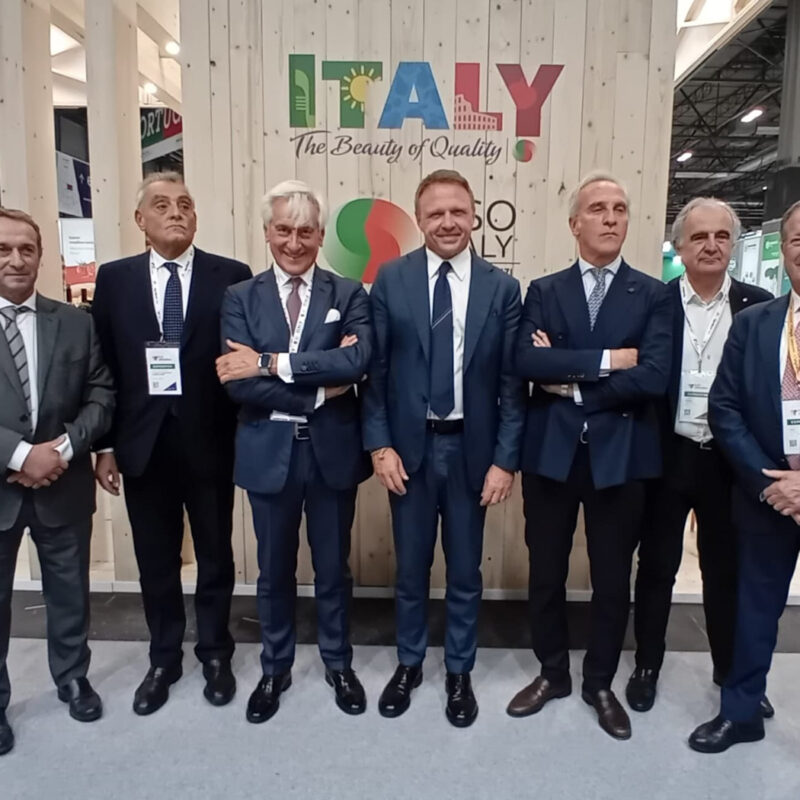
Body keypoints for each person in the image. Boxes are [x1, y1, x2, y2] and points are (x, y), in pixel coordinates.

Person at [507, 172, 672, 740]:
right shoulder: (543, 291)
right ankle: (552, 673)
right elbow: (527, 362)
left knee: (611, 579)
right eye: (598, 208)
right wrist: (609, 360)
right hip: (551, 455)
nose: (610, 217)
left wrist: (572, 381)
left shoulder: (653, 294)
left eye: (619, 208)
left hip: (621, 457)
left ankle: (599, 682)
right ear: (575, 223)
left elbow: (652, 376)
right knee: (546, 573)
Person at [363, 169, 525, 728]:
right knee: (410, 569)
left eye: (458, 211)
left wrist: (505, 459)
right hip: (408, 453)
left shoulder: (502, 289)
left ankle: (459, 670)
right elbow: (375, 375)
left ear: (474, 215)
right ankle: (409, 663)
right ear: (419, 219)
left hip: (471, 453)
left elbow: (512, 385)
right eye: (436, 213)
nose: (448, 222)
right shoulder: (391, 280)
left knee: (464, 571)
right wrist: (379, 446)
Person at [91, 172, 251, 716]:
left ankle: (215, 653)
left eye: (185, 204)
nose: (176, 212)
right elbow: (104, 366)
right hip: (143, 444)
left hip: (211, 439)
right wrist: (105, 445)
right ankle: (163, 657)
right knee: (155, 558)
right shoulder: (114, 280)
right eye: (161, 205)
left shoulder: (231, 276)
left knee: (215, 555)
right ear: (140, 220)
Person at [217, 179, 372, 723]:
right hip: (268, 454)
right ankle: (275, 667)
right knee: (273, 570)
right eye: (283, 230)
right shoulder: (240, 297)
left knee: (333, 569)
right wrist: (321, 390)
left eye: (306, 232)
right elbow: (238, 383)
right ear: (267, 232)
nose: (294, 242)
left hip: (332, 453)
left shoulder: (348, 294)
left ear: (321, 236)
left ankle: (338, 663)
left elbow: (358, 362)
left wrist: (269, 362)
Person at [628, 198, 773, 714]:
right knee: (657, 567)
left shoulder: (759, 306)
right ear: (680, 247)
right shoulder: (655, 302)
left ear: (733, 245)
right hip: (667, 454)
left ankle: (730, 671)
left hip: (730, 462)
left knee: (725, 568)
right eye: (699, 237)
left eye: (722, 236)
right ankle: (647, 665)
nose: (711, 246)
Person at [0, 208, 114, 755]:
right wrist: (21, 454)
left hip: (64, 481)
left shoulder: (75, 322)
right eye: (4, 249)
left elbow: (101, 393)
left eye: (27, 249)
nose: (16, 260)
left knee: (69, 591)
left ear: (42, 255)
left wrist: (62, 449)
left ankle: (72, 677)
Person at [689, 200, 800, 753]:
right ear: (785, 251)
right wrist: (769, 481)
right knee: (753, 609)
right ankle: (740, 713)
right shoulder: (756, 323)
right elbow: (725, 407)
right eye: (799, 240)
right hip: (769, 495)